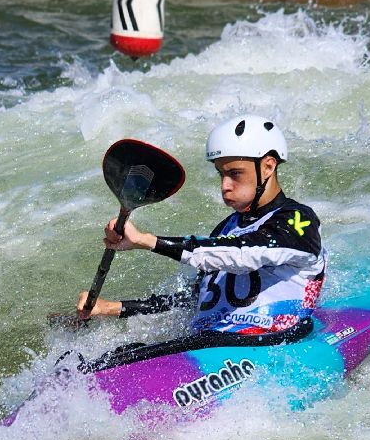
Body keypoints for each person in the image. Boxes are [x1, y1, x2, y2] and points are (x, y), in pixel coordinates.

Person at [76, 114, 326, 340]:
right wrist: (111, 308)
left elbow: (243, 253)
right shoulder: (226, 230)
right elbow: (194, 300)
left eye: (235, 174)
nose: (225, 186)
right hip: (210, 346)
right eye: (221, 174)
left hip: (271, 343)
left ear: (268, 166)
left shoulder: (298, 221)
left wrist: (146, 241)